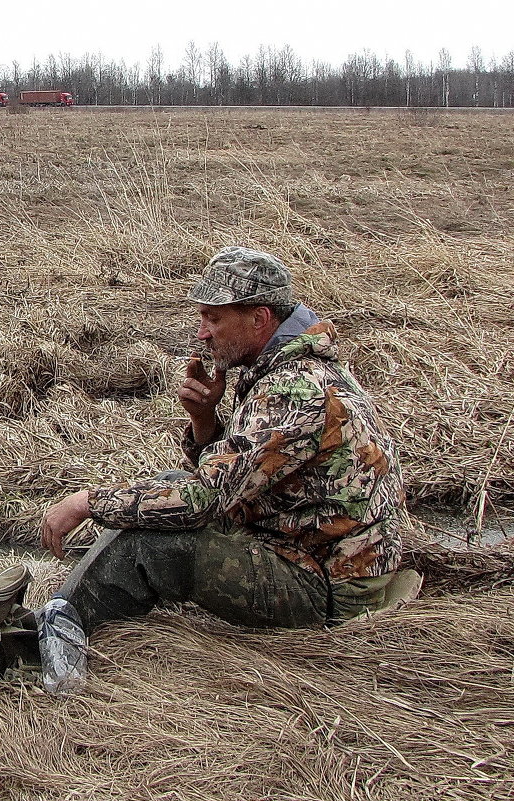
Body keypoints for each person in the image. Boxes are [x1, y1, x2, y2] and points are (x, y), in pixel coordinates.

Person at [38, 246, 405, 690]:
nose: (202, 334)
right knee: (166, 491)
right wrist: (204, 420)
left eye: (213, 318)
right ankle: (65, 617)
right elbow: (237, 481)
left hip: (327, 588)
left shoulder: (296, 387)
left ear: (259, 319)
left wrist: (87, 502)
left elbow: (203, 500)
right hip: (309, 553)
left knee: (152, 546)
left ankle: (55, 643)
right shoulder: (287, 368)